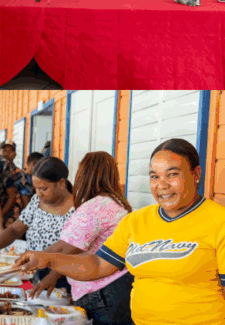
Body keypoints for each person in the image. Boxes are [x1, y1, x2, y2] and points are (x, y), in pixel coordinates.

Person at [15, 139, 225, 325]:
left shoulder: (219, 221)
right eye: (154, 176)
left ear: (196, 174)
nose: (162, 185)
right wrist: (47, 259)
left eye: (172, 174)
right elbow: (97, 265)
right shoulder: (136, 221)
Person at [27, 152, 134, 325]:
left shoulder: (95, 207)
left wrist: (36, 260)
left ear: (84, 175)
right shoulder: (117, 203)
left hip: (101, 291)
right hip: (120, 288)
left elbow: (66, 248)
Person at [0, 157, 75, 294]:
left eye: (44, 189)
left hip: (62, 277)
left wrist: (53, 275)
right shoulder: (37, 201)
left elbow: (74, 250)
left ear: (61, 183)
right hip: (34, 273)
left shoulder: (77, 209)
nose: (38, 194)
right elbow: (14, 230)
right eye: (36, 188)